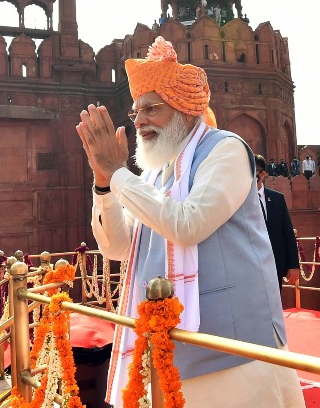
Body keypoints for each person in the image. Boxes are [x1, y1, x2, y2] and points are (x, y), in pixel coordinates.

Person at [76, 37, 303, 407]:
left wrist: (118, 174)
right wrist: (104, 182)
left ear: (183, 109)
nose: (141, 121)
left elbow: (188, 224)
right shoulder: (153, 177)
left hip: (234, 349)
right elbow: (117, 247)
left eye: (152, 108)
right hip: (171, 347)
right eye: (136, 113)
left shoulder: (225, 149)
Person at [255, 155, 300, 289]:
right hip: (249, 268)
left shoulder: (277, 199)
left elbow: (288, 233)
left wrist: (293, 265)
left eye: (253, 170)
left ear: (262, 173)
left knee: (274, 306)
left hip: (274, 265)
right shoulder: (240, 201)